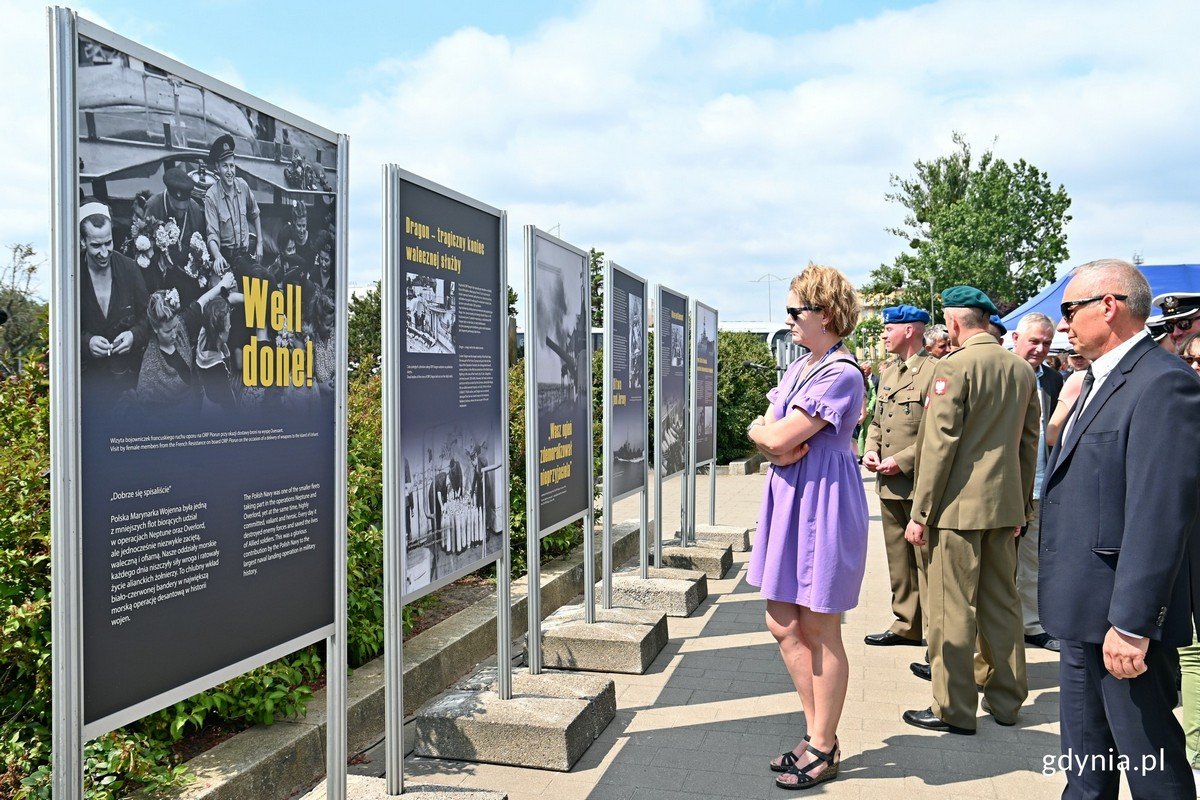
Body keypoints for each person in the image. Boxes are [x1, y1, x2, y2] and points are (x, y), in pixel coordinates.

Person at [1039, 259, 1200, 798]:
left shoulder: (1162, 384)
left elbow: (1160, 515)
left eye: (1069, 310)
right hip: (1082, 612)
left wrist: (1133, 624)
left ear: (1109, 306)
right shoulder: (1094, 380)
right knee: (1085, 771)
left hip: (1122, 624)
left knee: (1152, 767)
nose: (1063, 325)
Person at [746, 264, 867, 790]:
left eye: (798, 310)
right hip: (790, 498)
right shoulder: (801, 369)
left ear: (827, 314)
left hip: (824, 503)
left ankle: (822, 742)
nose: (790, 319)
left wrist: (770, 436)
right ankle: (818, 730)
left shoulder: (841, 373)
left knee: (819, 627)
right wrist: (766, 434)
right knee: (782, 621)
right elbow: (770, 436)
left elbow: (779, 441)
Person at [900, 285, 1039, 736]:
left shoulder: (953, 367)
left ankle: (954, 708)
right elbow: (1028, 443)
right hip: (1004, 508)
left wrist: (920, 513)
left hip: (957, 511)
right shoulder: (1021, 370)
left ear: (955, 323)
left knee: (951, 608)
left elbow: (939, 446)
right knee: (1003, 605)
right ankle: (1006, 701)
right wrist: (1022, 506)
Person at [862, 305, 935, 649]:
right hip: (889, 484)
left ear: (909, 330)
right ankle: (907, 624)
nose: (883, 335)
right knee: (898, 561)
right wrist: (872, 450)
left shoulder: (934, 372)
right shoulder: (889, 373)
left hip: (921, 484)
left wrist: (902, 460)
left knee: (927, 563)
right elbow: (877, 421)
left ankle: (937, 636)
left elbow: (939, 434)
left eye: (889, 329)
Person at [1006, 313, 1064, 654]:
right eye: (1034, 341)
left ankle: (1030, 624)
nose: (1041, 349)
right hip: (1004, 486)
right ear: (1016, 338)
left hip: (1040, 485)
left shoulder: (1054, 381)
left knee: (1032, 560)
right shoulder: (1001, 373)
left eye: (1046, 343)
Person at [79, 199, 150, 398]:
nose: (104, 252)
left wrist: (134, 335)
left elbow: (148, 317)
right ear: (82, 241)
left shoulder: (129, 268)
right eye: (96, 245)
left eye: (108, 243)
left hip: (129, 384)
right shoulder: (72, 275)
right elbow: (61, 329)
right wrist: (86, 342)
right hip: (89, 386)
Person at [203, 133, 262, 275]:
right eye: (225, 166)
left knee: (265, 279)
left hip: (246, 256)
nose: (229, 172)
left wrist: (260, 243)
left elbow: (256, 214)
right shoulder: (211, 197)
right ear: (217, 167)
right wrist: (217, 257)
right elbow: (212, 235)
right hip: (226, 259)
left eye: (232, 166)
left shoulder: (243, 186)